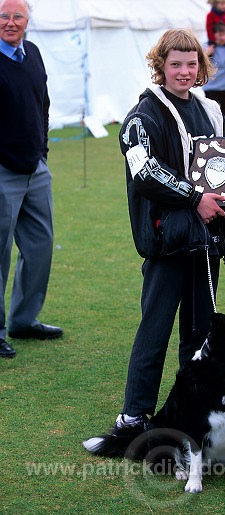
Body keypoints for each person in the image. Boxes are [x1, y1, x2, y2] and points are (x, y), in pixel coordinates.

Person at [85, 28, 225, 442]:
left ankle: (192, 409)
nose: (183, 71)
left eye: (191, 64)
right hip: (166, 242)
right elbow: (145, 173)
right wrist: (196, 197)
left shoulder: (210, 111)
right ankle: (134, 415)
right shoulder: (141, 117)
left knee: (199, 334)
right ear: (160, 66)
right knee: (155, 331)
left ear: (201, 67)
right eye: (175, 64)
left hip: (207, 238)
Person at [0, 0, 63, 358]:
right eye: (4, 16)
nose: (11, 22)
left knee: (39, 247)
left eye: (17, 16)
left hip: (35, 168)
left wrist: (42, 151)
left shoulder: (33, 53)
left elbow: (43, 104)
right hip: (2, 171)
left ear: (27, 21)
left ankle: (23, 320)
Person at [206, 0, 225, 71]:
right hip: (214, 38)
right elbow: (209, 28)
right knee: (210, 50)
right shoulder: (210, 15)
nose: (224, 6)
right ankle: (208, 66)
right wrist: (213, 39)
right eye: (222, 4)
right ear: (215, 4)